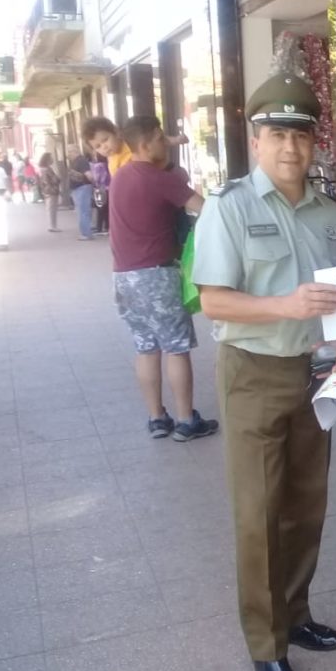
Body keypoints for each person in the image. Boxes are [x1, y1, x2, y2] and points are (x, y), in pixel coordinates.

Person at [193, 73, 336, 671]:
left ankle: (297, 612)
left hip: (313, 373)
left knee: (305, 502)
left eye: (300, 135)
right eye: (277, 135)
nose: (290, 147)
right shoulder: (230, 206)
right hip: (254, 373)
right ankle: (267, 647)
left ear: (313, 143)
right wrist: (287, 304)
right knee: (258, 512)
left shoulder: (328, 213)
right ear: (255, 139)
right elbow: (214, 300)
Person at [109, 115, 216, 442]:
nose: (164, 143)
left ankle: (157, 418)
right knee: (176, 349)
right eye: (159, 138)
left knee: (146, 348)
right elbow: (208, 210)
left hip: (123, 278)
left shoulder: (121, 176)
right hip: (157, 275)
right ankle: (186, 421)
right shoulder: (158, 178)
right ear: (145, 144)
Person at [66, 144, 95, 240]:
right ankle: (86, 231)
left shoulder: (81, 161)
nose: (68, 154)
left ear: (76, 151)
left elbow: (89, 175)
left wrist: (94, 182)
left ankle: (86, 233)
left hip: (82, 188)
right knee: (82, 210)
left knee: (83, 211)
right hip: (79, 188)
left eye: (70, 151)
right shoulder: (75, 161)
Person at [38, 153, 61, 232]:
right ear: (47, 160)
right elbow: (54, 179)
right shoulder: (48, 169)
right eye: (51, 158)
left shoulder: (42, 169)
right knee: (52, 209)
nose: (53, 159)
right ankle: (53, 226)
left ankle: (51, 225)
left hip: (46, 190)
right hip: (52, 190)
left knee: (50, 208)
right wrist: (58, 178)